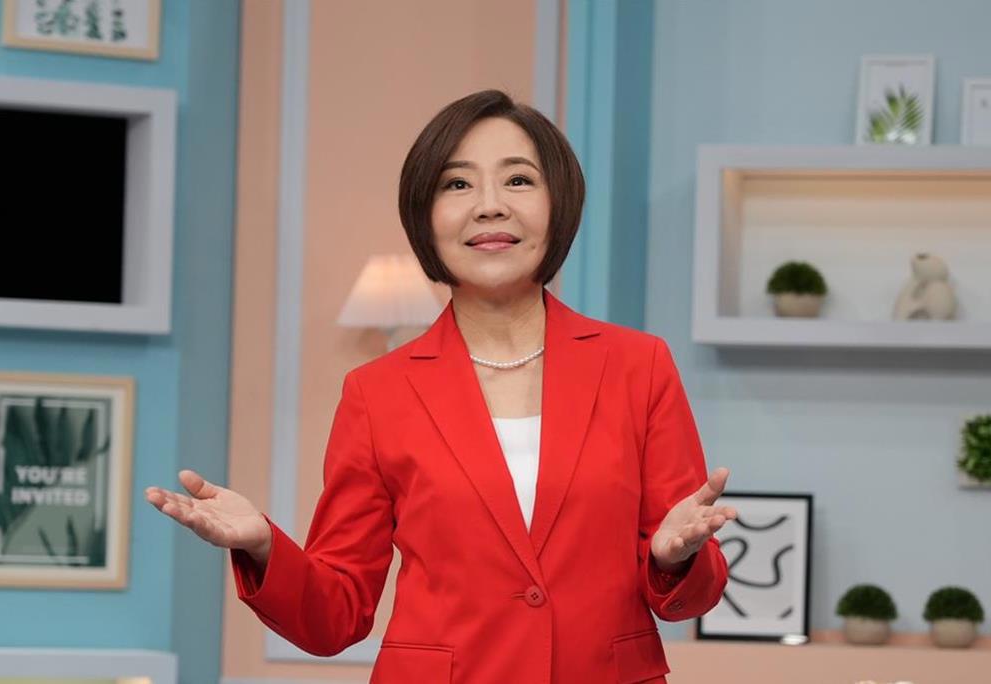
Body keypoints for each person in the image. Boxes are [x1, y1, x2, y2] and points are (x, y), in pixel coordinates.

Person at [145, 89, 736, 683]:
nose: (490, 206)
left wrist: (674, 559)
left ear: (560, 203)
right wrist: (264, 548)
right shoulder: (377, 392)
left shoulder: (639, 366)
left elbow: (691, 593)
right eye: (457, 184)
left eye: (519, 180)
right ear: (424, 216)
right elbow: (336, 615)